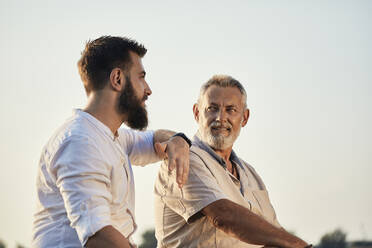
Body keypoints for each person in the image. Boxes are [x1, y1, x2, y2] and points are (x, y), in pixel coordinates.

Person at [32, 36, 190, 248]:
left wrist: (178, 140)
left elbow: (154, 139)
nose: (148, 89)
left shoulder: (113, 137)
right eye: (141, 77)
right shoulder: (80, 143)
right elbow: (98, 236)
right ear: (117, 79)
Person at [154, 75, 311, 248]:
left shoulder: (250, 174)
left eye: (231, 110)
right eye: (212, 109)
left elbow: (272, 235)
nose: (220, 118)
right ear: (197, 113)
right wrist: (300, 245)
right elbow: (223, 216)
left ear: (244, 117)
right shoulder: (185, 158)